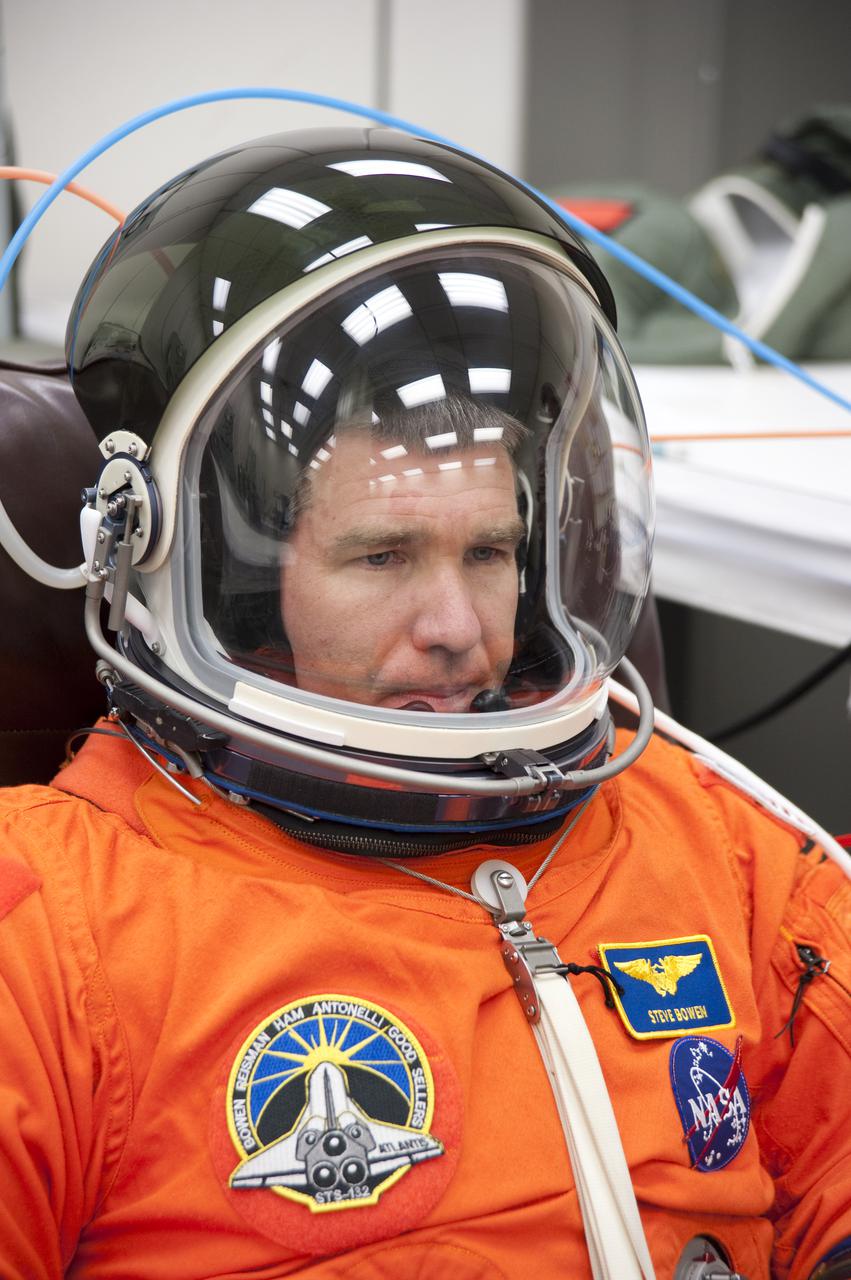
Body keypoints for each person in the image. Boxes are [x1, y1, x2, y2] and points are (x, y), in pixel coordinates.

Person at [0, 126, 849, 1280]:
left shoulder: (710, 839)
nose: (458, 626)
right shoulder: (54, 926)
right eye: (383, 555)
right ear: (214, 568)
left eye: (491, 549)